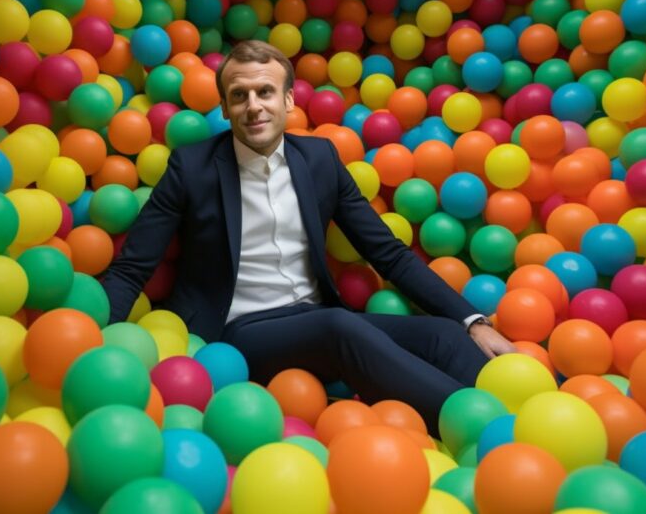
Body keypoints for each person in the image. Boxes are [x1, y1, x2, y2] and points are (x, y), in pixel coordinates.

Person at [103, 40, 515, 431]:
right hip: (237, 329)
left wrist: (473, 320)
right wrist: (92, 337)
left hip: (314, 318)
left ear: (288, 100)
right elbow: (132, 267)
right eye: (239, 95)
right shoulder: (191, 167)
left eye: (265, 91)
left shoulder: (319, 159)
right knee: (338, 327)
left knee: (443, 333)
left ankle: (516, 403)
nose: (253, 106)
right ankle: (478, 425)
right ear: (225, 109)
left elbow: (387, 252)